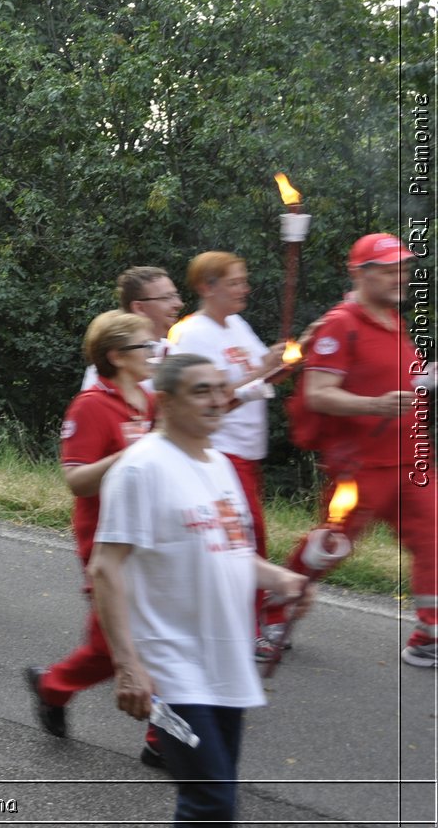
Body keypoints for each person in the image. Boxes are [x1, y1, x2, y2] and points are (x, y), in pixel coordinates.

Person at [92, 354, 311, 825]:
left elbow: (231, 550)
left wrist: (283, 580)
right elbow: (105, 568)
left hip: (225, 666)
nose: (217, 401)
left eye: (219, 389)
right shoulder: (140, 468)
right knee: (210, 801)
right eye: (201, 391)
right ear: (166, 402)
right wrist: (128, 666)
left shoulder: (219, 464)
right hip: (172, 670)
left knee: (215, 800)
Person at [27, 311, 163, 765]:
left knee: (160, 632)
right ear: (117, 356)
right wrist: (133, 454)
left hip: (153, 536)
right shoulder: (90, 405)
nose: (155, 353)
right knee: (112, 644)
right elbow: (77, 481)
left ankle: (162, 735)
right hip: (107, 538)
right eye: (146, 346)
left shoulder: (150, 400)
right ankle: (53, 686)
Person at [291, 233, 433, 667]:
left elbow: (396, 382)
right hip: (361, 465)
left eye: (404, 269)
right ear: (360, 274)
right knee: (330, 548)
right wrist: (375, 405)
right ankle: (271, 607)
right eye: (389, 270)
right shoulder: (341, 323)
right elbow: (318, 393)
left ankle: (429, 636)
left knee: (435, 538)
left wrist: (425, 377)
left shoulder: (394, 322)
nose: (400, 277)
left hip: (411, 459)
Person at [167, 251, 285, 656]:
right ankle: (248, 630)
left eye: (243, 280)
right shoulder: (192, 333)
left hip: (248, 452)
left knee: (247, 539)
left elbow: (258, 374)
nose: (244, 288)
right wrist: (262, 370)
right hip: (220, 451)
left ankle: (249, 620)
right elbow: (207, 397)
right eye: (234, 282)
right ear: (207, 287)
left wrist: (281, 363)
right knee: (244, 540)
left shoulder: (237, 324)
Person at [81, 266, 184, 390]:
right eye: (166, 298)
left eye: (175, 295)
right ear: (139, 308)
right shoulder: (113, 364)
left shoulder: (175, 352)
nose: (178, 304)